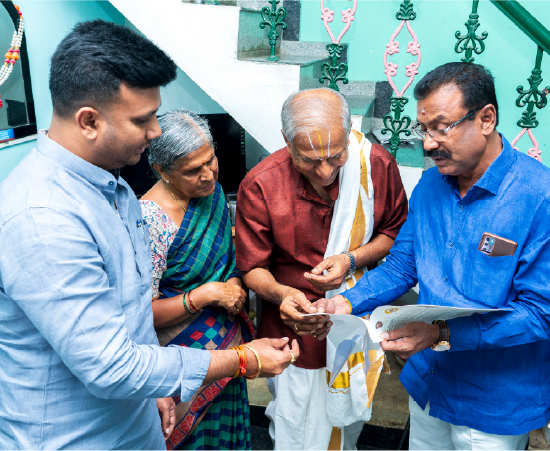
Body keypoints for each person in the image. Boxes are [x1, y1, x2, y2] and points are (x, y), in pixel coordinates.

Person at [0, 20, 298, 450]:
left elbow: (131, 315)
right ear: (89, 121)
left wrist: (153, 388)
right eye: (142, 119)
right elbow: (111, 368)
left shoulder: (114, 187)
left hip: (136, 423)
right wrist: (242, 358)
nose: (156, 131)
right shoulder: (43, 218)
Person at [315, 62, 550, 451]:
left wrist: (441, 334)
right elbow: (402, 265)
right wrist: (345, 302)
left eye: (442, 127)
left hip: (493, 400)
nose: (428, 144)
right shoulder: (430, 185)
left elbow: (540, 314)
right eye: (423, 129)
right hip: (429, 381)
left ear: (486, 119)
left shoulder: (538, 197)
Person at [235, 87, 408, 450]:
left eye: (336, 155)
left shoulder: (374, 165)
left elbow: (395, 233)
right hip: (293, 331)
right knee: (297, 427)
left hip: (354, 320)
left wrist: (350, 259)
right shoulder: (262, 184)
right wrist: (282, 294)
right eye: (310, 160)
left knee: (347, 427)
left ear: (349, 132)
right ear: (287, 141)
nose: (326, 171)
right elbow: (252, 268)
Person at [140, 109, 254, 450]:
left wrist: (234, 284)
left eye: (211, 160)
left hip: (226, 347)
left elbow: (228, 261)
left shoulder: (212, 193)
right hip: (183, 359)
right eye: (193, 170)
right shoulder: (149, 220)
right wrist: (204, 295)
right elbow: (143, 314)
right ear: (162, 170)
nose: (208, 175)